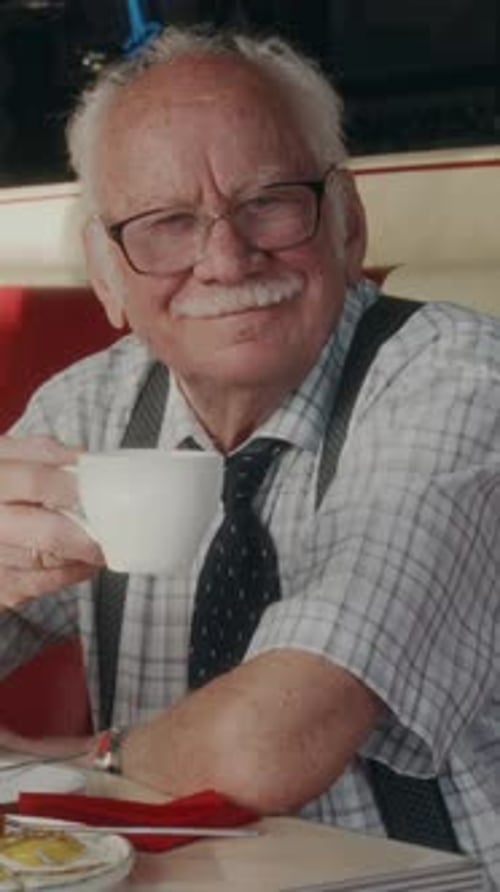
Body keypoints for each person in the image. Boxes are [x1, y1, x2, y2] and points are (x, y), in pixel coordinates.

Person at [0, 24, 499, 887]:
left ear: (346, 222)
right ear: (107, 276)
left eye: (268, 201)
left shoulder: (456, 379)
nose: (225, 259)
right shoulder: (88, 405)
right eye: (166, 224)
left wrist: (97, 759)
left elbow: (271, 743)